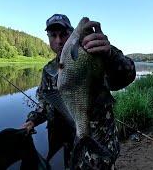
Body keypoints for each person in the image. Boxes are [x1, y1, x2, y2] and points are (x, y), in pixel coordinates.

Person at [22, 14, 136, 169]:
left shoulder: (95, 53)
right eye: (53, 35)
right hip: (71, 148)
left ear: (71, 34)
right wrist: (32, 121)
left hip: (99, 145)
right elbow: (46, 103)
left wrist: (110, 55)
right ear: (48, 38)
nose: (58, 40)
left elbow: (127, 76)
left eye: (63, 34)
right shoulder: (49, 70)